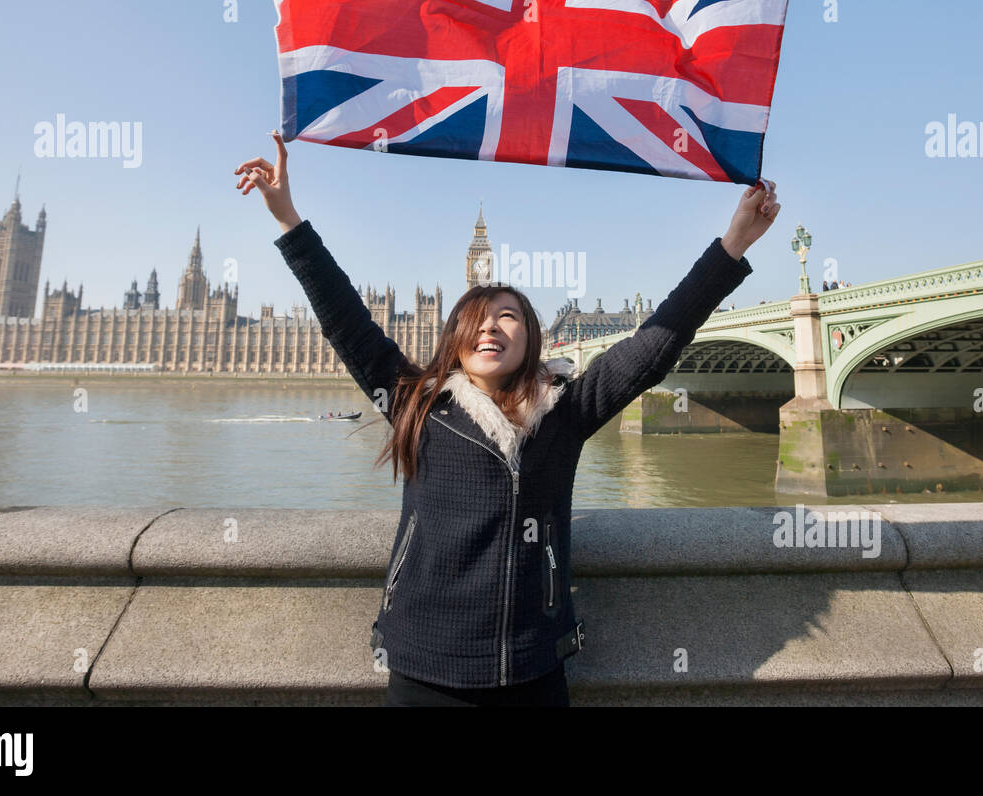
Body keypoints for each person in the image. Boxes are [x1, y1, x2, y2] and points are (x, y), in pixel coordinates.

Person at [234, 133, 779, 706]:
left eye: (508, 317)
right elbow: (345, 319)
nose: (491, 327)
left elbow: (655, 344)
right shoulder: (418, 407)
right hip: (424, 666)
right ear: (456, 340)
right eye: (478, 320)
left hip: (534, 666)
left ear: (531, 338)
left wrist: (734, 242)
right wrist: (288, 217)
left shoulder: (564, 414)